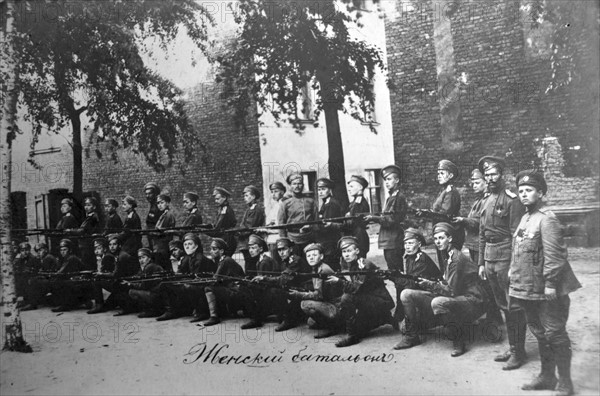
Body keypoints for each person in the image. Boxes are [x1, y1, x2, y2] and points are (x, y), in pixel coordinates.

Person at [510, 170, 581, 396]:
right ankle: (547, 376)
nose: (523, 195)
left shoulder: (547, 218)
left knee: (555, 333)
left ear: (540, 193)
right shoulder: (525, 217)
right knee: (539, 332)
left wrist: (550, 283)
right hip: (528, 288)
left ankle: (566, 382)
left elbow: (555, 255)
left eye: (529, 191)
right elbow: (520, 251)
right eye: (520, 191)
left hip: (548, 289)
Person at [394, 223, 485, 357]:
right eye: (436, 239)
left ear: (450, 238)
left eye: (441, 238)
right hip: (457, 294)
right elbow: (446, 282)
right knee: (406, 294)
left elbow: (450, 291)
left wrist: (429, 285)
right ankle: (412, 336)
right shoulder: (446, 255)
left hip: (473, 300)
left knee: (438, 302)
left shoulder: (456, 258)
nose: (438, 242)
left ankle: (458, 341)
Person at [477, 155, 528, 370]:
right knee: (502, 305)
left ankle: (518, 352)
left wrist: (514, 266)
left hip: (506, 256)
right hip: (489, 257)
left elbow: (517, 235)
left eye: (493, 174)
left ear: (502, 175)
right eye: (486, 174)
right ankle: (513, 346)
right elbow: (481, 234)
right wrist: (481, 263)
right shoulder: (486, 200)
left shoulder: (512, 199)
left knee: (513, 305)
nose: (489, 178)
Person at [454, 169, 503, 331]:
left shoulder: (487, 200)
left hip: (481, 246)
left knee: (487, 283)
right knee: (483, 281)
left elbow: (479, 224)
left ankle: (494, 317)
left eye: (477, 182)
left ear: (485, 183)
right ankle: (492, 315)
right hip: (474, 246)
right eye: (473, 182)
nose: (473, 185)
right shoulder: (479, 200)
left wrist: (463, 220)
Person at [335, 236, 396, 347]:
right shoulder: (353, 264)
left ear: (357, 251)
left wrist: (339, 281)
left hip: (380, 301)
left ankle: (352, 336)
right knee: (359, 329)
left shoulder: (363, 265)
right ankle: (384, 317)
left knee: (346, 298)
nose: (346, 254)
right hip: (369, 300)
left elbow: (355, 289)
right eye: (344, 252)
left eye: (349, 251)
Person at [253, 237, 312, 332]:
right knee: (269, 290)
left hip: (304, 291)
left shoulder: (295, 261)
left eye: (284, 249)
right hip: (295, 289)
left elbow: (282, 279)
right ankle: (262, 317)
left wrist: (264, 278)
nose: (281, 252)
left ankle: (289, 320)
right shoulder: (285, 262)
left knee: (274, 291)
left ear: (291, 249)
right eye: (279, 250)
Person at [156, 233, 216, 321]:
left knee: (185, 286)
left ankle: (202, 312)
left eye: (190, 244)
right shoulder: (189, 258)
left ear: (196, 246)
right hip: (195, 283)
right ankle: (171, 311)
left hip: (204, 286)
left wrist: (182, 280)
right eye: (185, 244)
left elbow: (197, 278)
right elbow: (183, 273)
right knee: (166, 284)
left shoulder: (200, 258)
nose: (187, 247)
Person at [288, 243, 344, 339]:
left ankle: (333, 327)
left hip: (337, 305)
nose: (311, 258)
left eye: (314, 255)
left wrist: (299, 294)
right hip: (330, 302)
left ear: (321, 256)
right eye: (308, 256)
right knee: (311, 322)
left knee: (304, 304)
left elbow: (318, 295)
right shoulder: (317, 268)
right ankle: (333, 322)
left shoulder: (322, 270)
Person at [391, 228, 441, 323]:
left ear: (419, 244)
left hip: (433, 296)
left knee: (406, 328)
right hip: (421, 293)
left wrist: (394, 278)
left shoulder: (421, 259)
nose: (407, 247)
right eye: (405, 244)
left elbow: (413, 283)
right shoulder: (409, 258)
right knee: (403, 327)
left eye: (410, 243)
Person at [364, 164, 407, 271]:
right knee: (393, 271)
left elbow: (391, 220)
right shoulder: (391, 197)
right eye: (385, 180)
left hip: (394, 241)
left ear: (397, 180)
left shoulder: (398, 197)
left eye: (389, 179)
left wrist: (374, 218)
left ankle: (402, 288)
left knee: (396, 271)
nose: (386, 182)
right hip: (389, 241)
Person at [22, 239, 82, 311]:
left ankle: (32, 303)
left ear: (70, 250)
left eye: (65, 249)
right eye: (61, 250)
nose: (62, 252)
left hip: (73, 282)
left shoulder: (70, 258)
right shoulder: (66, 258)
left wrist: (45, 276)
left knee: (35, 281)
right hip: (69, 280)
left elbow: (60, 272)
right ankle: (32, 302)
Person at [239, 234, 283, 329]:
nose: (250, 250)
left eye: (253, 248)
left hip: (271, 291)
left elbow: (265, 283)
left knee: (244, 288)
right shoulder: (260, 260)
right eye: (250, 248)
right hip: (268, 290)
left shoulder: (264, 262)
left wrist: (250, 283)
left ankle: (256, 319)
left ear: (261, 249)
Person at [87, 234, 138, 314]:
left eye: (114, 244)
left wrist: (101, 274)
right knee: (107, 306)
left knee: (96, 280)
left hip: (126, 284)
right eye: (110, 245)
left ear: (120, 245)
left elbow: (115, 275)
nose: (112, 247)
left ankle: (99, 305)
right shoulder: (118, 255)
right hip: (122, 282)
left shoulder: (122, 256)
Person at [202, 238, 247, 326]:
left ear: (221, 251)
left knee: (208, 288)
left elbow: (215, 279)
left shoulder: (225, 261)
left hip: (238, 292)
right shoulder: (223, 260)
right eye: (211, 249)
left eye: (214, 249)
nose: (211, 251)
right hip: (236, 289)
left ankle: (214, 317)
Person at [115, 248, 164, 316]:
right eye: (139, 258)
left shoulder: (150, 267)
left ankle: (151, 310)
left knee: (131, 292)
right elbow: (137, 276)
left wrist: (130, 284)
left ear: (149, 258)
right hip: (157, 294)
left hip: (156, 295)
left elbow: (144, 286)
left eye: (143, 257)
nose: (141, 260)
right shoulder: (148, 266)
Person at [278, 173, 317, 255]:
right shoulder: (285, 203)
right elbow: (281, 225)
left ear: (303, 185)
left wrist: (311, 226)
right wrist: (284, 241)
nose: (297, 186)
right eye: (294, 184)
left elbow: (316, 221)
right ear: (290, 186)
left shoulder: (310, 201)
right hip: (293, 239)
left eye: (299, 183)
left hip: (309, 238)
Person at [313, 178, 343, 271]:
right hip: (326, 242)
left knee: (331, 267)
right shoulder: (326, 203)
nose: (320, 192)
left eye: (323, 189)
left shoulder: (332, 204)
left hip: (331, 242)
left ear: (330, 190)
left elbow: (325, 226)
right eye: (319, 189)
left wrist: (311, 227)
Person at [237, 185, 266, 275]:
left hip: (251, 242)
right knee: (248, 265)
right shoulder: (249, 210)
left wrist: (238, 232)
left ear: (253, 197)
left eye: (246, 195)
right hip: (245, 242)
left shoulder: (257, 210)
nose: (244, 198)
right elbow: (242, 224)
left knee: (251, 266)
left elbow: (250, 226)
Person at [67, 196, 101, 270]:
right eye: (85, 205)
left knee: (88, 264)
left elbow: (82, 231)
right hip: (85, 245)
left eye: (89, 205)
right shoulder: (88, 217)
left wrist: (70, 231)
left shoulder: (92, 218)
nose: (86, 207)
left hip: (88, 245)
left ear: (94, 207)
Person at [341, 175, 371, 259]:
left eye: (351, 186)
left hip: (358, 236)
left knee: (359, 261)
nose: (349, 189)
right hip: (355, 234)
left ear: (360, 187)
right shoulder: (354, 202)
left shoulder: (359, 202)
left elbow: (352, 221)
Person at [261, 181, 287, 264]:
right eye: (272, 192)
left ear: (282, 192)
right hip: (271, 239)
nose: (273, 194)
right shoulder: (275, 205)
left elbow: (281, 225)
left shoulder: (283, 205)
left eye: (276, 191)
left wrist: (266, 230)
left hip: (278, 239)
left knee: (278, 263)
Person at [211, 187, 238, 257]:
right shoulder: (221, 209)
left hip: (227, 240)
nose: (216, 201)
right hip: (223, 238)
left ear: (224, 198)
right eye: (215, 199)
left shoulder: (226, 210)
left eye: (218, 199)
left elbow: (218, 226)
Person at [152, 194, 177, 271]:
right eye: (158, 203)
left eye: (162, 202)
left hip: (163, 246)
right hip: (159, 246)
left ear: (167, 203)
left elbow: (164, 231)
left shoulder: (169, 215)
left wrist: (155, 233)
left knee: (163, 267)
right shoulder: (163, 215)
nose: (159, 205)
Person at [14, 242, 41, 307]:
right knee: (18, 280)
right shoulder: (21, 258)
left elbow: (37, 269)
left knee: (28, 281)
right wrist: (17, 259)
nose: (25, 252)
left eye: (26, 250)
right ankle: (25, 300)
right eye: (22, 251)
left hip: (34, 276)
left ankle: (32, 303)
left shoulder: (33, 258)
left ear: (29, 250)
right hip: (25, 276)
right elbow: (16, 267)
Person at [143, 182, 161, 249]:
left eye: (150, 193)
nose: (147, 196)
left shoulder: (157, 207)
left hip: (156, 239)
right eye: (146, 194)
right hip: (151, 237)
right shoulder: (152, 206)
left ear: (155, 194)